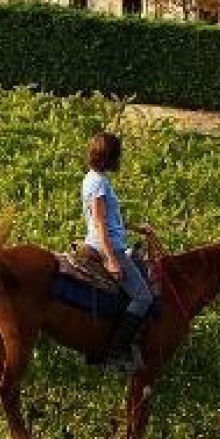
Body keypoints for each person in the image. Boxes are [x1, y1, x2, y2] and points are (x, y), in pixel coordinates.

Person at [82, 131, 154, 372]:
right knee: (144, 297)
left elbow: (108, 219)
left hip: (105, 242)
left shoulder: (93, 178)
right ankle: (115, 353)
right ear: (110, 156)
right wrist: (111, 258)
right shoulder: (100, 183)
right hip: (108, 247)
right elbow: (100, 222)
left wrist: (135, 227)